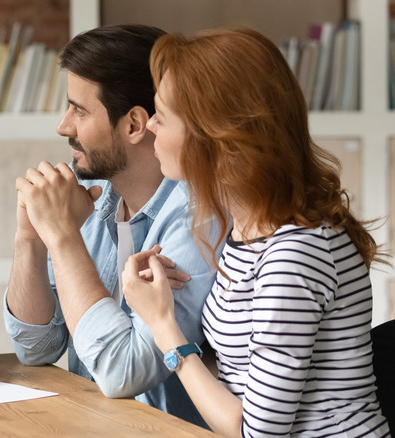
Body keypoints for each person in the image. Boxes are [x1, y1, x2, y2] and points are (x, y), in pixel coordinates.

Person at [122, 28, 390, 437]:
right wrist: (166, 306)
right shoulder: (248, 231)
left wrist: (162, 325)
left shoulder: (296, 253)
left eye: (162, 115)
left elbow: (257, 432)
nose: (151, 126)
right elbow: (236, 378)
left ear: (216, 138)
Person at [4, 24, 217, 426]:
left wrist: (63, 238)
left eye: (79, 110)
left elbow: (126, 373)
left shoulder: (197, 218)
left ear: (135, 124)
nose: (63, 127)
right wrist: (30, 238)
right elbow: (37, 347)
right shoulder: (92, 194)